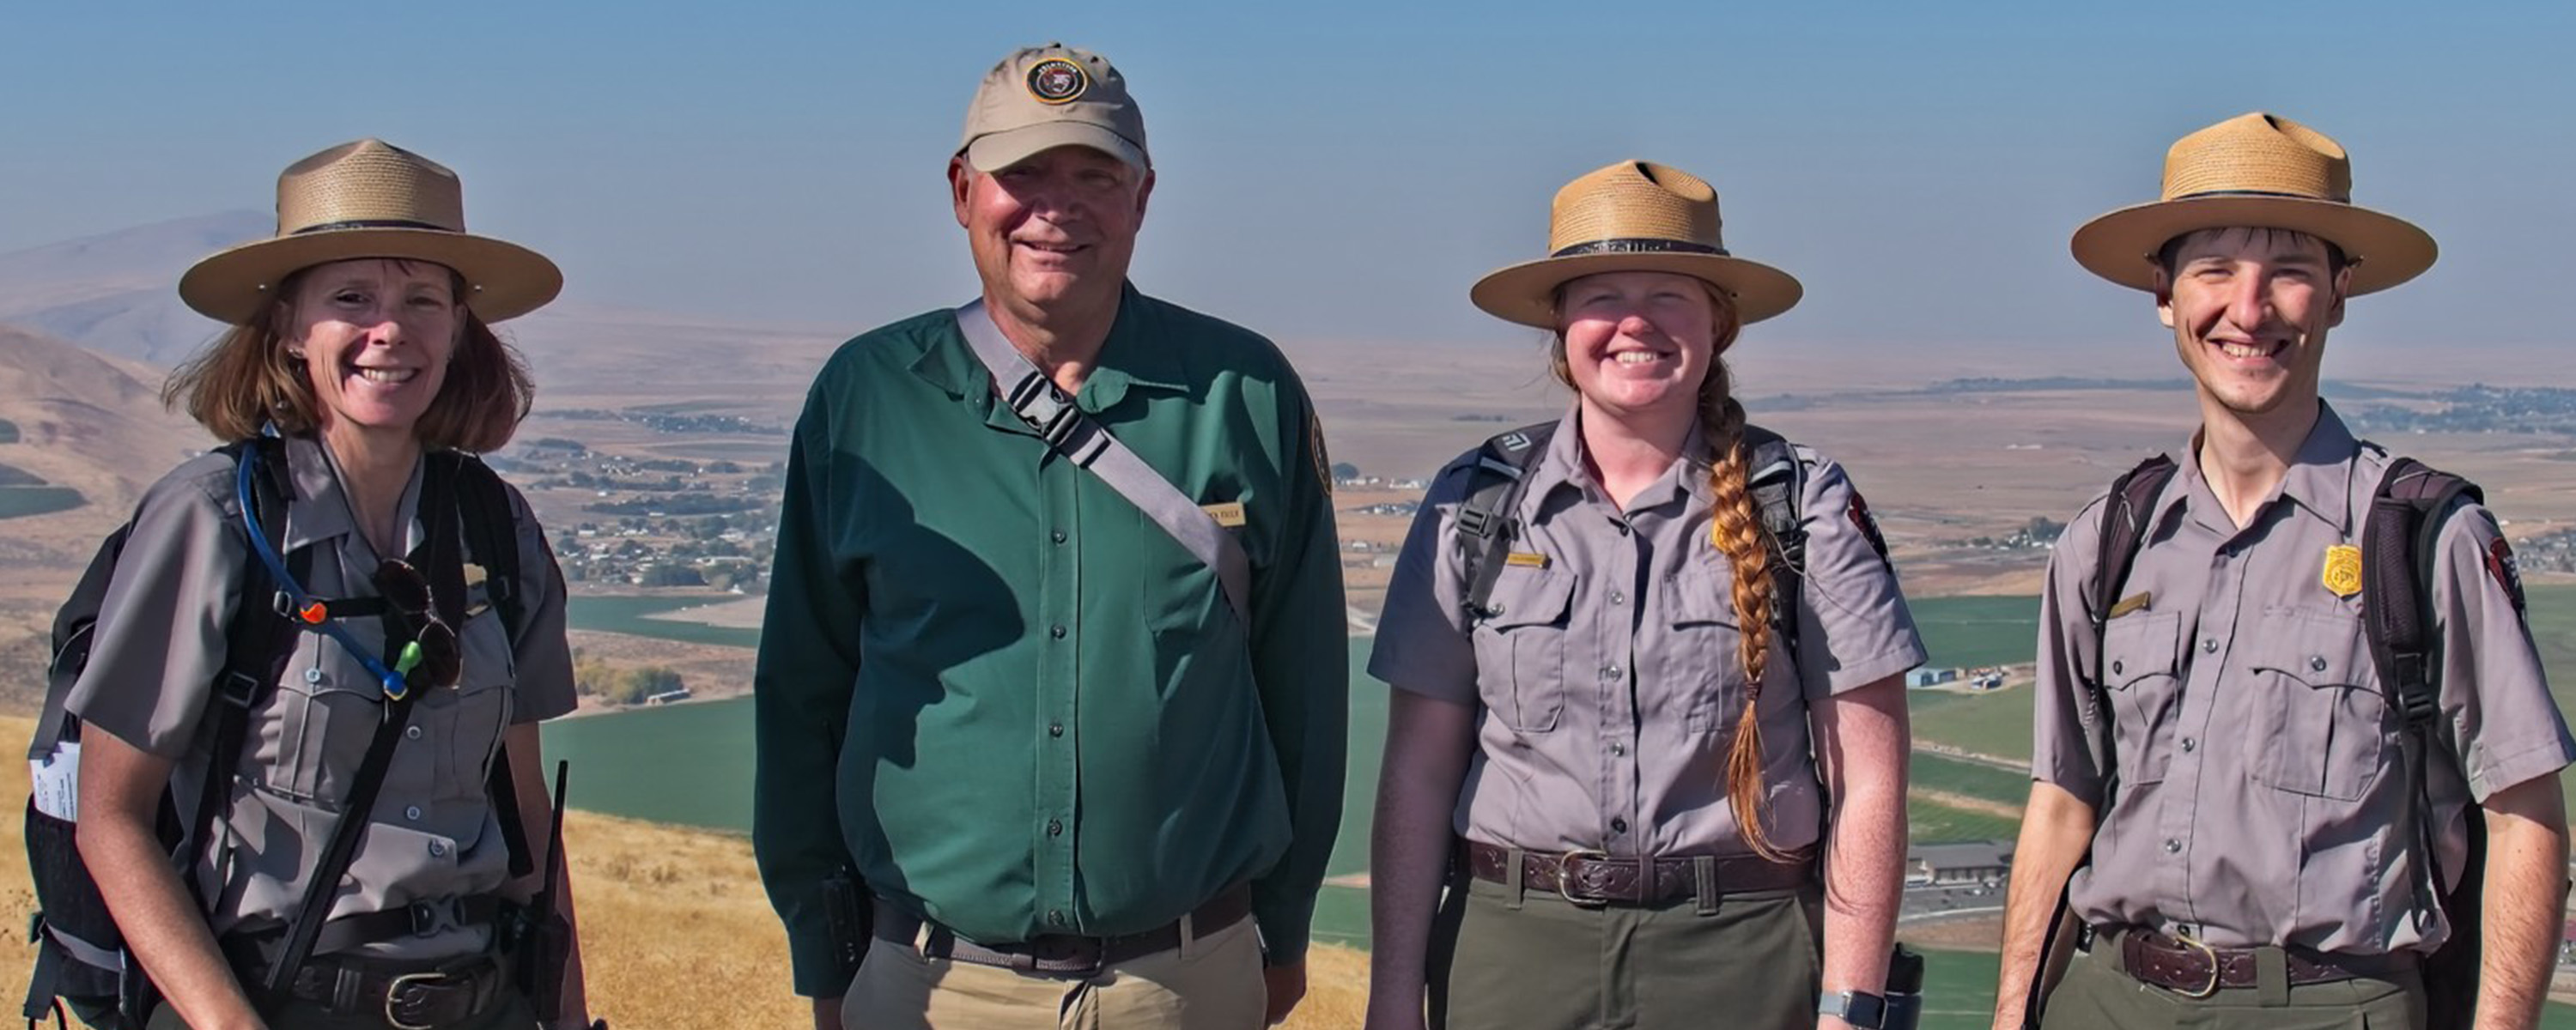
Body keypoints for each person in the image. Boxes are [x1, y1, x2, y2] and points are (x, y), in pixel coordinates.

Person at [752, 42, 1347, 1030]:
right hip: (929, 987)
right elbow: (803, 692)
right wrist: (824, 955)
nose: (1055, 208)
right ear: (962, 191)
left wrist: (1281, 932)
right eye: (1022, 174)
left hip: (1183, 984)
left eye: (1094, 176)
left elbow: (1304, 693)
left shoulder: (1244, 392)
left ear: (1142, 198)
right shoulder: (866, 396)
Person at [1991, 112, 2575, 1030]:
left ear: (2340, 294)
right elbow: (2063, 803)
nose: (2249, 309)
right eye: (2215, 270)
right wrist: (2010, 1014)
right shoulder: (2107, 542)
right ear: (2164, 294)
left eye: (2290, 272)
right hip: (2105, 998)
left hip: (2331, 1005)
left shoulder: (2423, 540)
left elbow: (2525, 813)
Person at [1364, 160, 1922, 1030]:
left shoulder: (1799, 503)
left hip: (1743, 953)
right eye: (1602, 297)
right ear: (1560, 325)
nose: (1635, 323)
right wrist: (1394, 996)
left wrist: (1849, 1008)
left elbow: (1870, 780)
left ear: (1718, 323)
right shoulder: (1474, 504)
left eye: (1669, 294)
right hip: (1513, 956)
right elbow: (1418, 771)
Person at [67, 139, 591, 1028]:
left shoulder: (496, 527)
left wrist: (570, 1018)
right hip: (274, 1002)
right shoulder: (215, 520)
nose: (390, 331)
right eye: (351, 298)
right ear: (289, 327)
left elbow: (527, 815)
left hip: (483, 999)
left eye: (422, 300)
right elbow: (111, 817)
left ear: (459, 328)